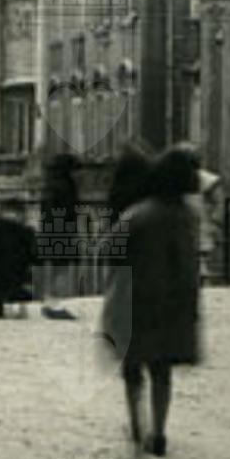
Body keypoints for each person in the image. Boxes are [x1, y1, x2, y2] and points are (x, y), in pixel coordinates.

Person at [116, 143, 217, 457]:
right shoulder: (188, 216)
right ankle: (159, 432)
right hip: (174, 302)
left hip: (138, 299)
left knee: (133, 367)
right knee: (162, 370)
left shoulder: (139, 214)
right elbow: (192, 261)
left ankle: (137, 426)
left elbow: (109, 248)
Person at [95, 143, 155, 365]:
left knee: (119, 293)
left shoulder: (117, 192)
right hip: (144, 256)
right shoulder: (149, 197)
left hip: (121, 254)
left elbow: (109, 228)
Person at [0, 199, 38, 319]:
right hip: (19, 272)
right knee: (18, 284)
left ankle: (3, 306)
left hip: (0, 275)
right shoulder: (26, 232)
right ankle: (18, 307)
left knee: (1, 285)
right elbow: (34, 255)